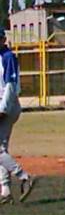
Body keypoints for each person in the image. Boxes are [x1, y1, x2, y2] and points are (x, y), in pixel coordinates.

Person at [0, 29, 35, 205]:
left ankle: (24, 176)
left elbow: (10, 85)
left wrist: (2, 109)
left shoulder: (7, 57)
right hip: (3, 105)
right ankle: (5, 190)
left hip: (7, 106)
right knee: (1, 149)